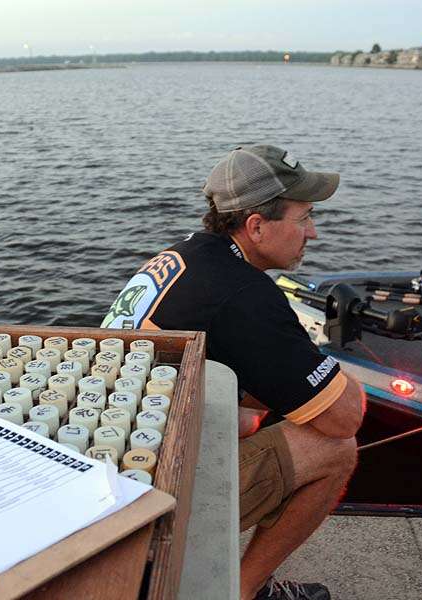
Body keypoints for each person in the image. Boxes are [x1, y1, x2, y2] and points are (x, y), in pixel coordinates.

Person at [102, 145, 364, 600]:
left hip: (104, 460)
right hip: (137, 499)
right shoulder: (242, 293)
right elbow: (345, 416)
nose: (314, 234)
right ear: (257, 226)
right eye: (303, 219)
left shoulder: (184, 255)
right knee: (335, 447)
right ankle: (241, 591)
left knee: (247, 416)